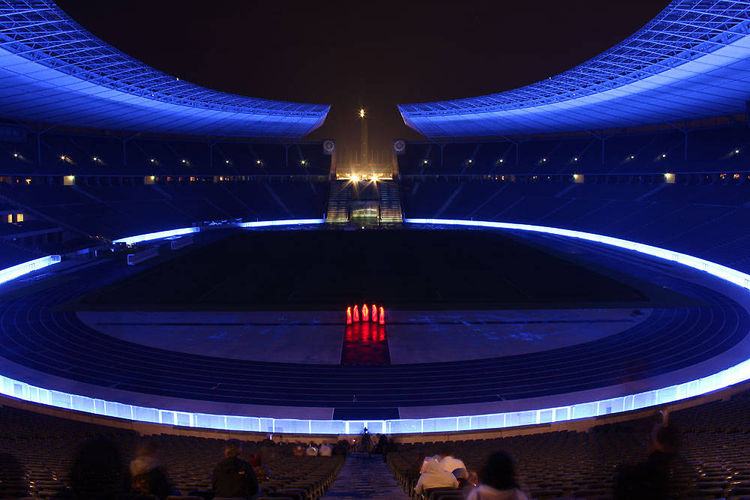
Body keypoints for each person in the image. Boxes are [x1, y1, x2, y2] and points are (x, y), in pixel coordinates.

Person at [614, 423, 687, 499]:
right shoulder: (685, 468)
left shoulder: (641, 473)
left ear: (657, 444)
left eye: (649, 438)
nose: (647, 442)